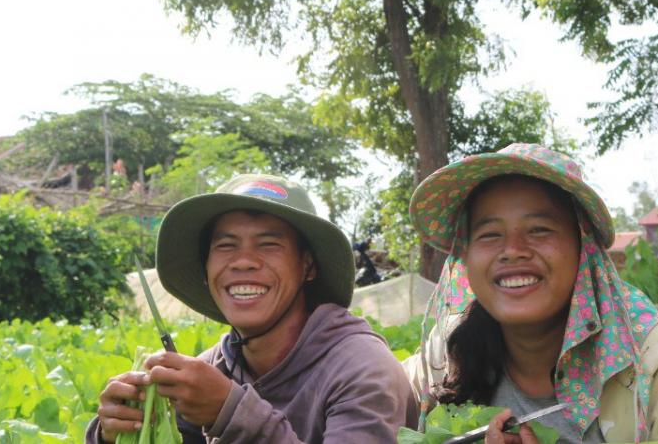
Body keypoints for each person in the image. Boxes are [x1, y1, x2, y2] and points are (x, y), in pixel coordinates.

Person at [405, 144, 658, 444]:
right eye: (489, 234)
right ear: (464, 257)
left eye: (539, 229)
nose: (513, 250)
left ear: (584, 247)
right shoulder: (445, 355)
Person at [87, 174, 418, 443]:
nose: (243, 261)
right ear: (205, 270)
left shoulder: (361, 370)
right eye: (226, 245)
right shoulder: (214, 369)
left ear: (308, 266)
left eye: (269, 244)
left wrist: (230, 413)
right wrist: (112, 431)